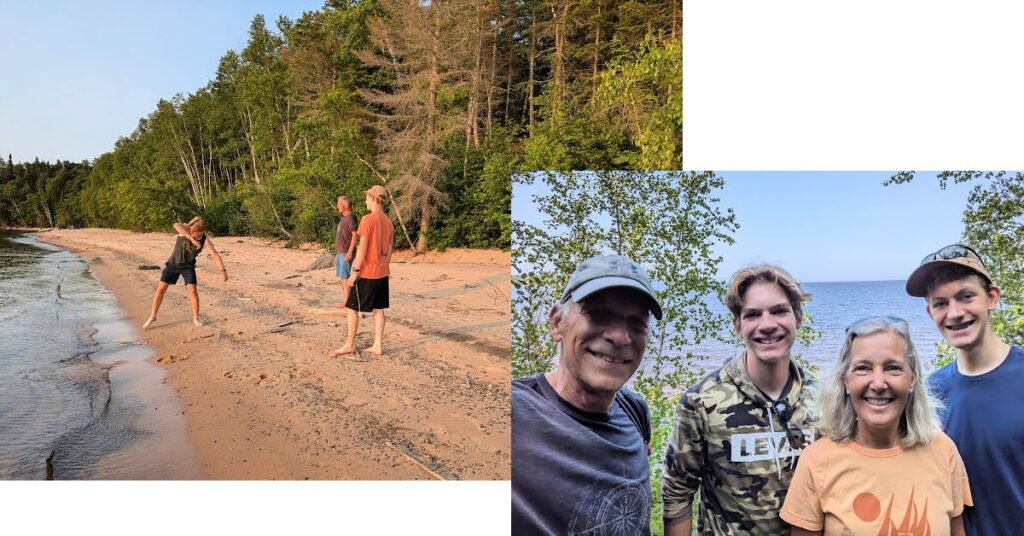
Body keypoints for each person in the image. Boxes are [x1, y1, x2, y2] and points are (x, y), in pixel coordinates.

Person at [512, 254, 663, 535]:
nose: (620, 337)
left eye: (636, 322)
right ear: (557, 322)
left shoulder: (635, 410)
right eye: (598, 314)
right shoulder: (516, 411)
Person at [662, 264, 817, 535]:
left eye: (779, 311)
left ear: (798, 317)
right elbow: (677, 494)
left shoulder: (824, 400)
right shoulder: (701, 402)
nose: (767, 325)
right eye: (753, 315)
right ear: (737, 325)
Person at [781, 316, 971, 536]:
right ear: (846, 381)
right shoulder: (817, 461)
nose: (879, 384)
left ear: (912, 379)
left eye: (893, 368)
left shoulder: (943, 450)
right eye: (863, 368)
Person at [906, 244, 1024, 535]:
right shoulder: (929, 393)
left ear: (992, 297)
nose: (955, 313)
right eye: (941, 303)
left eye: (966, 296)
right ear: (929, 311)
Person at [331, 185, 394, 357]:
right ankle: (377, 345)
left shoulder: (368, 219)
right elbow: (389, 250)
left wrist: (354, 273)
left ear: (373, 198)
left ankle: (350, 344)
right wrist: (385, 267)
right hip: (382, 271)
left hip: (368, 271)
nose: (365, 200)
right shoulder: (388, 221)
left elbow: (362, 249)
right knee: (378, 308)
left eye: (367, 197)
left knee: (351, 307)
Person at [142, 216, 227, 329]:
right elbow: (176, 225)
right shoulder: (185, 230)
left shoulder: (204, 240)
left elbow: (215, 255)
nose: (191, 233)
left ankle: (196, 319)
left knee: (192, 291)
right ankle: (153, 316)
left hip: (188, 266)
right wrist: (192, 239)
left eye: (194, 232)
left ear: (201, 231)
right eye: (190, 230)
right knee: (161, 289)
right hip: (173, 264)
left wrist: (222, 271)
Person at [334, 195, 358, 307]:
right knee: (343, 277)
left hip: (345, 252)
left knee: (346, 277)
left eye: (339, 204)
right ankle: (346, 300)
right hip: (340, 252)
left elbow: (355, 235)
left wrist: (349, 252)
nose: (337, 206)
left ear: (346, 205)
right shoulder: (343, 218)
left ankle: (347, 302)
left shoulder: (351, 218)